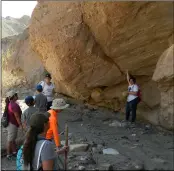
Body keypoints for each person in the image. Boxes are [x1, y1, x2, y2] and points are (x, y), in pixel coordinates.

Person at [5, 90, 22, 160]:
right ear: (13, 97)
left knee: (12, 139)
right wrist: (20, 124)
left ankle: (14, 152)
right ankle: (8, 155)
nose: (17, 96)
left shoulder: (10, 103)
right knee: (10, 140)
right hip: (12, 124)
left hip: (10, 123)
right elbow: (17, 116)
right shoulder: (14, 105)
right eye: (16, 95)